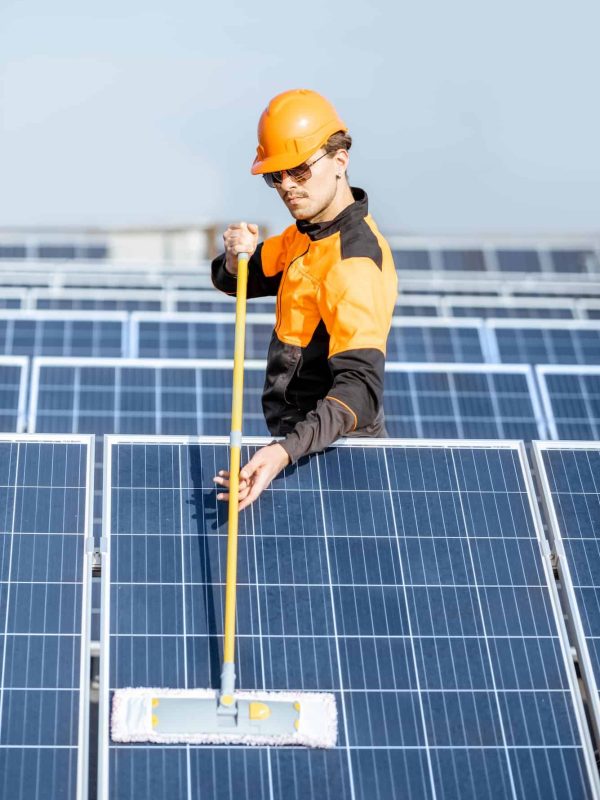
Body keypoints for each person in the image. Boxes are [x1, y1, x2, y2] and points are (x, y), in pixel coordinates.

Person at [212, 88, 397, 509]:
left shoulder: (354, 263)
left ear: (340, 161)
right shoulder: (304, 236)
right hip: (300, 447)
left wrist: (282, 453)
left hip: (343, 458)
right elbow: (235, 281)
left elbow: (360, 390)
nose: (287, 186)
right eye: (275, 176)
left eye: (299, 170)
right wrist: (235, 258)